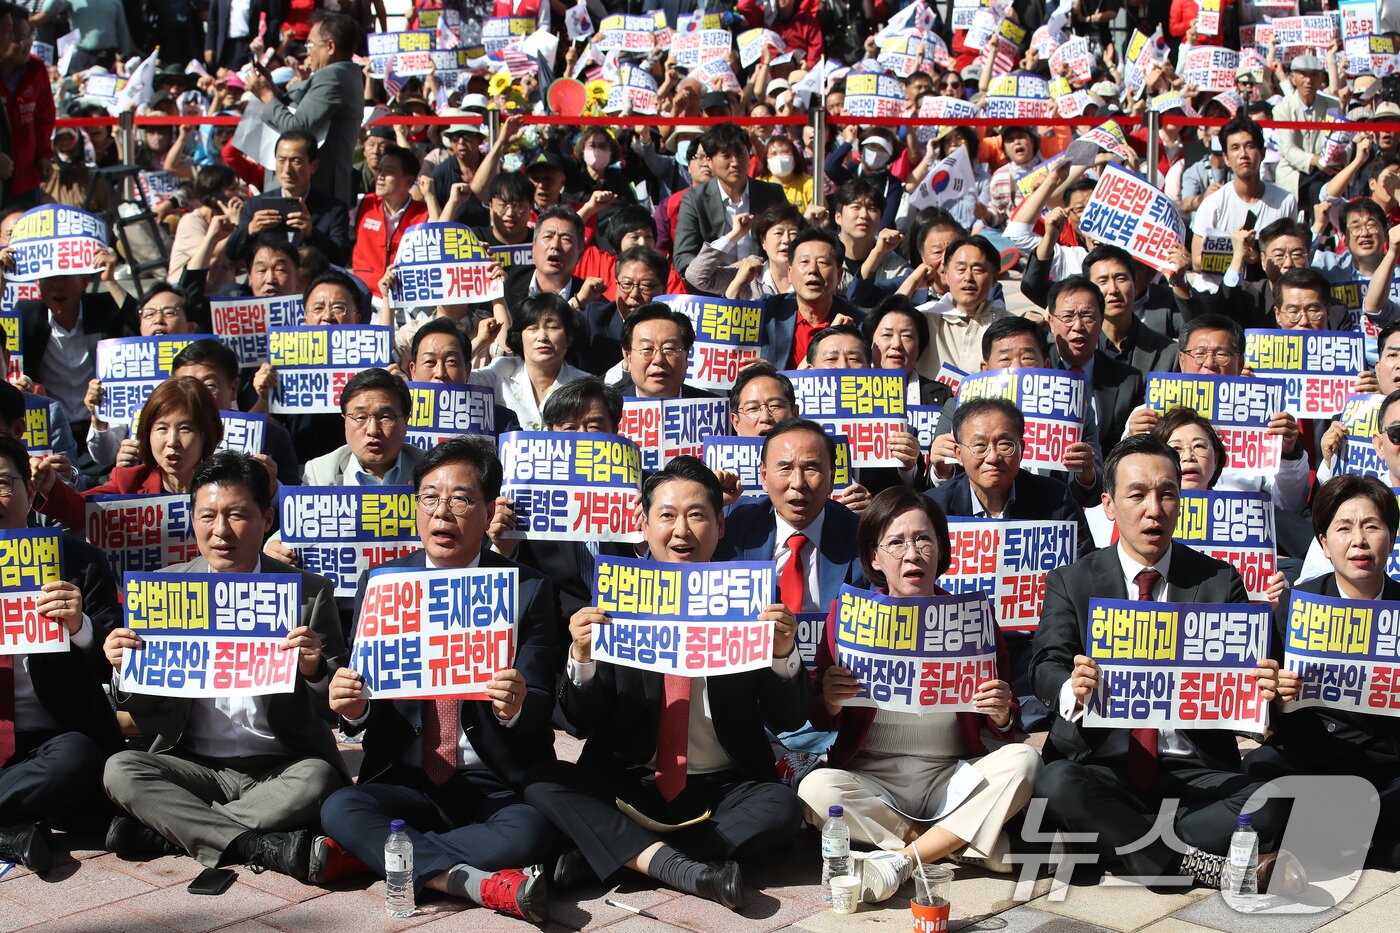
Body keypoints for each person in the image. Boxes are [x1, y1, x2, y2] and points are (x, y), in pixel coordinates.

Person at [523, 456, 806, 910]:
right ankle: (685, 867)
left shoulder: (750, 599)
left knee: (782, 808)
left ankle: (613, 856)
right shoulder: (615, 598)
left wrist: (782, 655)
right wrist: (581, 658)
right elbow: (579, 723)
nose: (681, 531)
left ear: (720, 525)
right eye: (668, 515)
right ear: (644, 523)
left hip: (723, 787)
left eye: (696, 516)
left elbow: (788, 718)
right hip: (629, 781)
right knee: (543, 780)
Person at [1030, 434, 1301, 893]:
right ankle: (1205, 866)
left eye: (1167, 494)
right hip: (1103, 766)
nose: (1153, 510)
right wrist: (1071, 687)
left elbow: (1257, 678)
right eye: (1137, 495)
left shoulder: (1219, 580)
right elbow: (1045, 664)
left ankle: (1119, 844)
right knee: (1056, 783)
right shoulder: (1072, 580)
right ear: (1109, 504)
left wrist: (1269, 689)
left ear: (1181, 501)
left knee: (1273, 798)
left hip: (1191, 769)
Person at [319, 436, 558, 920]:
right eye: (430, 498)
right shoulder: (382, 584)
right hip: (407, 780)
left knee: (534, 829)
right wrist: (355, 709)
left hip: (490, 782)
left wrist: (515, 708)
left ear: (489, 511)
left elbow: (539, 701)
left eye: (461, 499)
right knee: (339, 808)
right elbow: (364, 697)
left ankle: (388, 857)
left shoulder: (527, 589)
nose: (442, 513)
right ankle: (466, 880)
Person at [100, 451, 348, 880]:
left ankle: (173, 832)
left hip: (282, 766)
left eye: (236, 515)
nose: (220, 531)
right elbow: (146, 711)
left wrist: (315, 673)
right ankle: (252, 844)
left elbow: (335, 709)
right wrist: (124, 668)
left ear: (266, 519)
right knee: (120, 770)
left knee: (320, 780)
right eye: (208, 516)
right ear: (192, 519)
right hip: (195, 765)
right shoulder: (166, 590)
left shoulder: (309, 593)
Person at [798, 488, 1040, 901]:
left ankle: (903, 859)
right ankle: (954, 844)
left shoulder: (974, 616)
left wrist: (1001, 712)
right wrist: (832, 699)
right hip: (872, 780)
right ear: (875, 558)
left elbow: (1006, 720)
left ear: (940, 549)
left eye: (924, 539)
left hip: (949, 776)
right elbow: (820, 716)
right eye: (896, 542)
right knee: (815, 790)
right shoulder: (845, 617)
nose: (912, 554)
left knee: (1025, 761)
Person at [1242, 474, 1400, 869]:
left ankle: (1321, 843)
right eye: (1344, 528)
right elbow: (1265, 710)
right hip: (1310, 754)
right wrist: (1275, 696)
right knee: (1255, 784)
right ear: (1325, 544)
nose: (1359, 541)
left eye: (1372, 526)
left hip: (1388, 761)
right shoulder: (1297, 605)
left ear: (1392, 537)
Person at [0, 429, 122, 871]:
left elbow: (114, 667)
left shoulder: (80, 560)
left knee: (78, 757)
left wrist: (80, 627)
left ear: (30, 492)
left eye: (2, 483)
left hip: (58, 739)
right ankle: (11, 832)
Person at [488, 377, 638, 628]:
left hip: (629, 625)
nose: (582, 438)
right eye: (569, 428)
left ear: (615, 431)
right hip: (556, 631)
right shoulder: (522, 494)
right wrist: (503, 547)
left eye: (593, 427)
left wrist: (644, 544)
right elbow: (514, 583)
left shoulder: (643, 489)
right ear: (551, 435)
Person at [30, 377, 223, 533]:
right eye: (162, 428)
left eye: (185, 428)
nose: (172, 441)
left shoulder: (226, 486)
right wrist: (49, 486)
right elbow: (80, 510)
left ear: (207, 434)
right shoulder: (130, 482)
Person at [248, 13, 364, 208]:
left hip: (317, 191)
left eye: (310, 45)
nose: (307, 52)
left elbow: (298, 129)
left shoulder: (333, 76)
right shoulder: (342, 74)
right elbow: (299, 110)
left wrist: (267, 96)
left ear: (330, 47)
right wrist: (270, 89)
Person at [1043, 275, 1147, 452]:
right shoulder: (1035, 370)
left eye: (1088, 317)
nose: (1078, 326)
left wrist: (1132, 433)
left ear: (1101, 322)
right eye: (1068, 317)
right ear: (1051, 322)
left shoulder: (1128, 380)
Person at [223, 131, 352, 267]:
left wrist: (311, 234)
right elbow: (232, 252)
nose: (287, 170)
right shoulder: (256, 205)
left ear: (313, 166)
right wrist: (251, 230)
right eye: (281, 160)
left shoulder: (332, 209)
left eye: (296, 161)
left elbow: (341, 258)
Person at [673, 123, 788, 274]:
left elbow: (792, 242)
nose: (735, 162)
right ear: (709, 161)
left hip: (764, 282)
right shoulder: (695, 199)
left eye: (740, 153)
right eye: (726, 156)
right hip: (714, 286)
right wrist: (727, 273)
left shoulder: (772, 194)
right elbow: (683, 258)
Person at [1191, 115, 1299, 270]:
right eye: (1235, 148)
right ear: (1226, 158)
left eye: (1250, 146)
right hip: (1220, 283)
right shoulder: (1212, 204)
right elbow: (1196, 261)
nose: (1243, 154)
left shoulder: (1285, 201)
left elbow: (1291, 252)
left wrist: (1259, 257)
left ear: (1262, 153)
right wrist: (1237, 256)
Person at [469, 295, 587, 432]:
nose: (542, 337)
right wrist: (479, 341)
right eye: (533, 328)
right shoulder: (501, 371)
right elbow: (455, 380)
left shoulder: (584, 385)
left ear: (569, 337)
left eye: (553, 327)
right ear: (520, 336)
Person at [759, 227, 860, 369]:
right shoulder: (767, 311)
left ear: (839, 275)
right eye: (804, 262)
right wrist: (736, 285)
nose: (812, 270)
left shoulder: (857, 322)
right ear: (790, 273)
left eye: (822, 262)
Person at [914, 235, 1011, 377]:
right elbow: (888, 323)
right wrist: (913, 282)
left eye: (977, 270)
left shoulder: (1009, 326)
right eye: (961, 269)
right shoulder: (924, 317)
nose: (968, 277)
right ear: (946, 275)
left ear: (994, 279)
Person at [352, 144, 429, 298]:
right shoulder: (363, 204)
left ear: (408, 180)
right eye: (379, 169)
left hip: (405, 297)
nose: (380, 176)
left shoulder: (424, 214)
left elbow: (442, 236)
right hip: (365, 296)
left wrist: (430, 196)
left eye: (388, 171)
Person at [1273, 55, 1340, 213]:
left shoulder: (1332, 105)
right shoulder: (1282, 108)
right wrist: (1315, 160)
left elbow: (1340, 137)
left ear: (1321, 79)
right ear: (1293, 78)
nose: (1309, 80)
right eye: (1303, 75)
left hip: (1324, 169)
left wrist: (1341, 154)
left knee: (1324, 188)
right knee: (1317, 188)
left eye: (1314, 75)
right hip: (1293, 171)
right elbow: (1287, 149)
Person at [613, 304, 717, 399]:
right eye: (647, 349)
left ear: (686, 357)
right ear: (628, 357)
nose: (658, 360)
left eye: (669, 349)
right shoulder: (611, 408)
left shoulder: (714, 407)